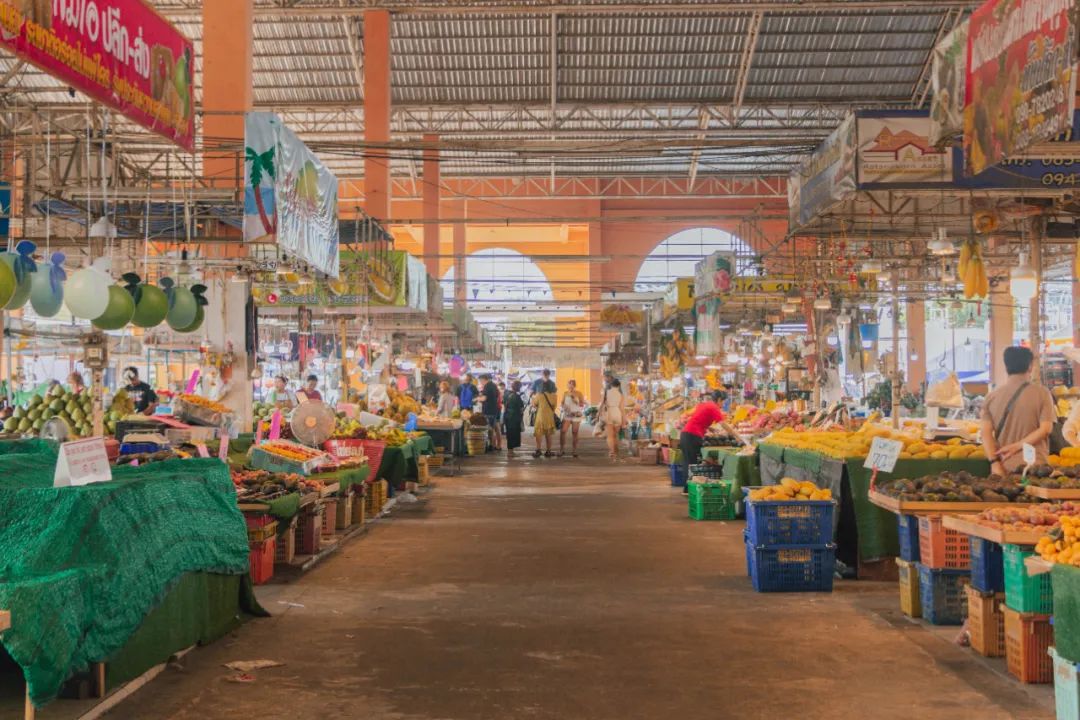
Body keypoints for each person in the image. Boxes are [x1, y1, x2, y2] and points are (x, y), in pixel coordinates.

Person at [982, 346, 1055, 474]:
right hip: (1035, 468)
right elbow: (1046, 429)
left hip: (1004, 465)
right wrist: (1018, 446)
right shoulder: (1042, 393)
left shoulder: (991, 397)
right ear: (1030, 367)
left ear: (1006, 366)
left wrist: (994, 462)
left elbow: (985, 434)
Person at [679, 390, 726, 493]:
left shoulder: (704, 405)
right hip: (692, 435)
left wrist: (711, 429)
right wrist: (736, 436)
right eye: (723, 402)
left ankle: (688, 488)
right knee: (690, 463)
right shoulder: (714, 408)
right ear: (719, 400)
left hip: (686, 434)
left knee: (689, 462)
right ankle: (688, 489)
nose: (723, 404)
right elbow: (724, 424)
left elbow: (699, 419)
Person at [530, 372, 558, 458]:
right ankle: (548, 451)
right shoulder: (554, 396)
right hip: (549, 416)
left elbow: (534, 404)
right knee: (548, 434)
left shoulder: (539, 395)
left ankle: (538, 450)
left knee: (539, 433)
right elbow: (554, 407)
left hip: (540, 416)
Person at [599, 378, 626, 460]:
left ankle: (612, 452)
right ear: (619, 386)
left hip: (609, 413)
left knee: (610, 436)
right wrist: (624, 421)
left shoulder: (606, 392)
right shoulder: (621, 395)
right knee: (615, 435)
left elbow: (601, 405)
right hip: (617, 414)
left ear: (611, 385)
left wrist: (598, 415)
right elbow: (622, 409)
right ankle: (616, 451)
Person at [559, 378, 586, 457]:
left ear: (574, 386)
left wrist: (575, 400)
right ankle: (562, 449)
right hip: (567, 414)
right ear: (567, 386)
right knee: (563, 431)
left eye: (572, 385)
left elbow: (582, 404)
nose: (570, 387)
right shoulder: (565, 393)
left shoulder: (579, 393)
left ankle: (574, 450)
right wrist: (564, 407)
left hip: (576, 415)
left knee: (575, 432)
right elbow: (562, 403)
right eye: (569, 385)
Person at [480, 374, 502, 451]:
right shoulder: (494, 386)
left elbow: (484, 398)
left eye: (481, 381)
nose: (481, 383)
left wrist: (477, 399)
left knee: (490, 428)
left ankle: (492, 445)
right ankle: (498, 445)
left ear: (484, 379)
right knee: (496, 427)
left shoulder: (487, 386)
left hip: (489, 410)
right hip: (495, 409)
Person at [503, 380, 525, 457]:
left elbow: (504, 404)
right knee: (513, 434)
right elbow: (521, 408)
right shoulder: (517, 396)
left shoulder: (506, 394)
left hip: (507, 416)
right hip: (515, 417)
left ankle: (510, 450)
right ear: (518, 388)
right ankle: (510, 452)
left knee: (509, 434)